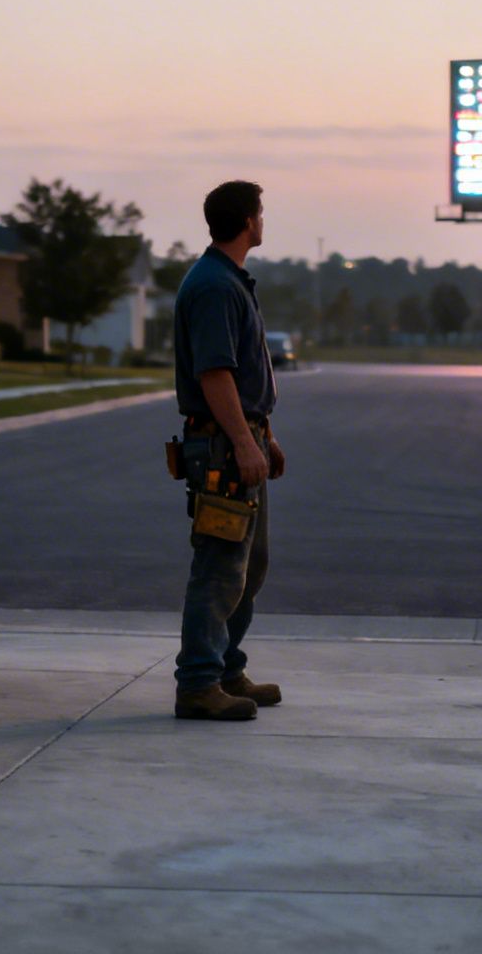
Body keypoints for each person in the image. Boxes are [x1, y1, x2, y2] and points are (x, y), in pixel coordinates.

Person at [171, 179, 285, 721]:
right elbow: (214, 374)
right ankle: (197, 683)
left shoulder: (230, 280)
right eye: (260, 214)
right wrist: (243, 440)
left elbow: (240, 376)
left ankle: (226, 669)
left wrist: (265, 435)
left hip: (242, 438)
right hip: (221, 449)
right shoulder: (215, 285)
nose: (263, 222)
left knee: (249, 565)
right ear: (247, 221)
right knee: (220, 566)